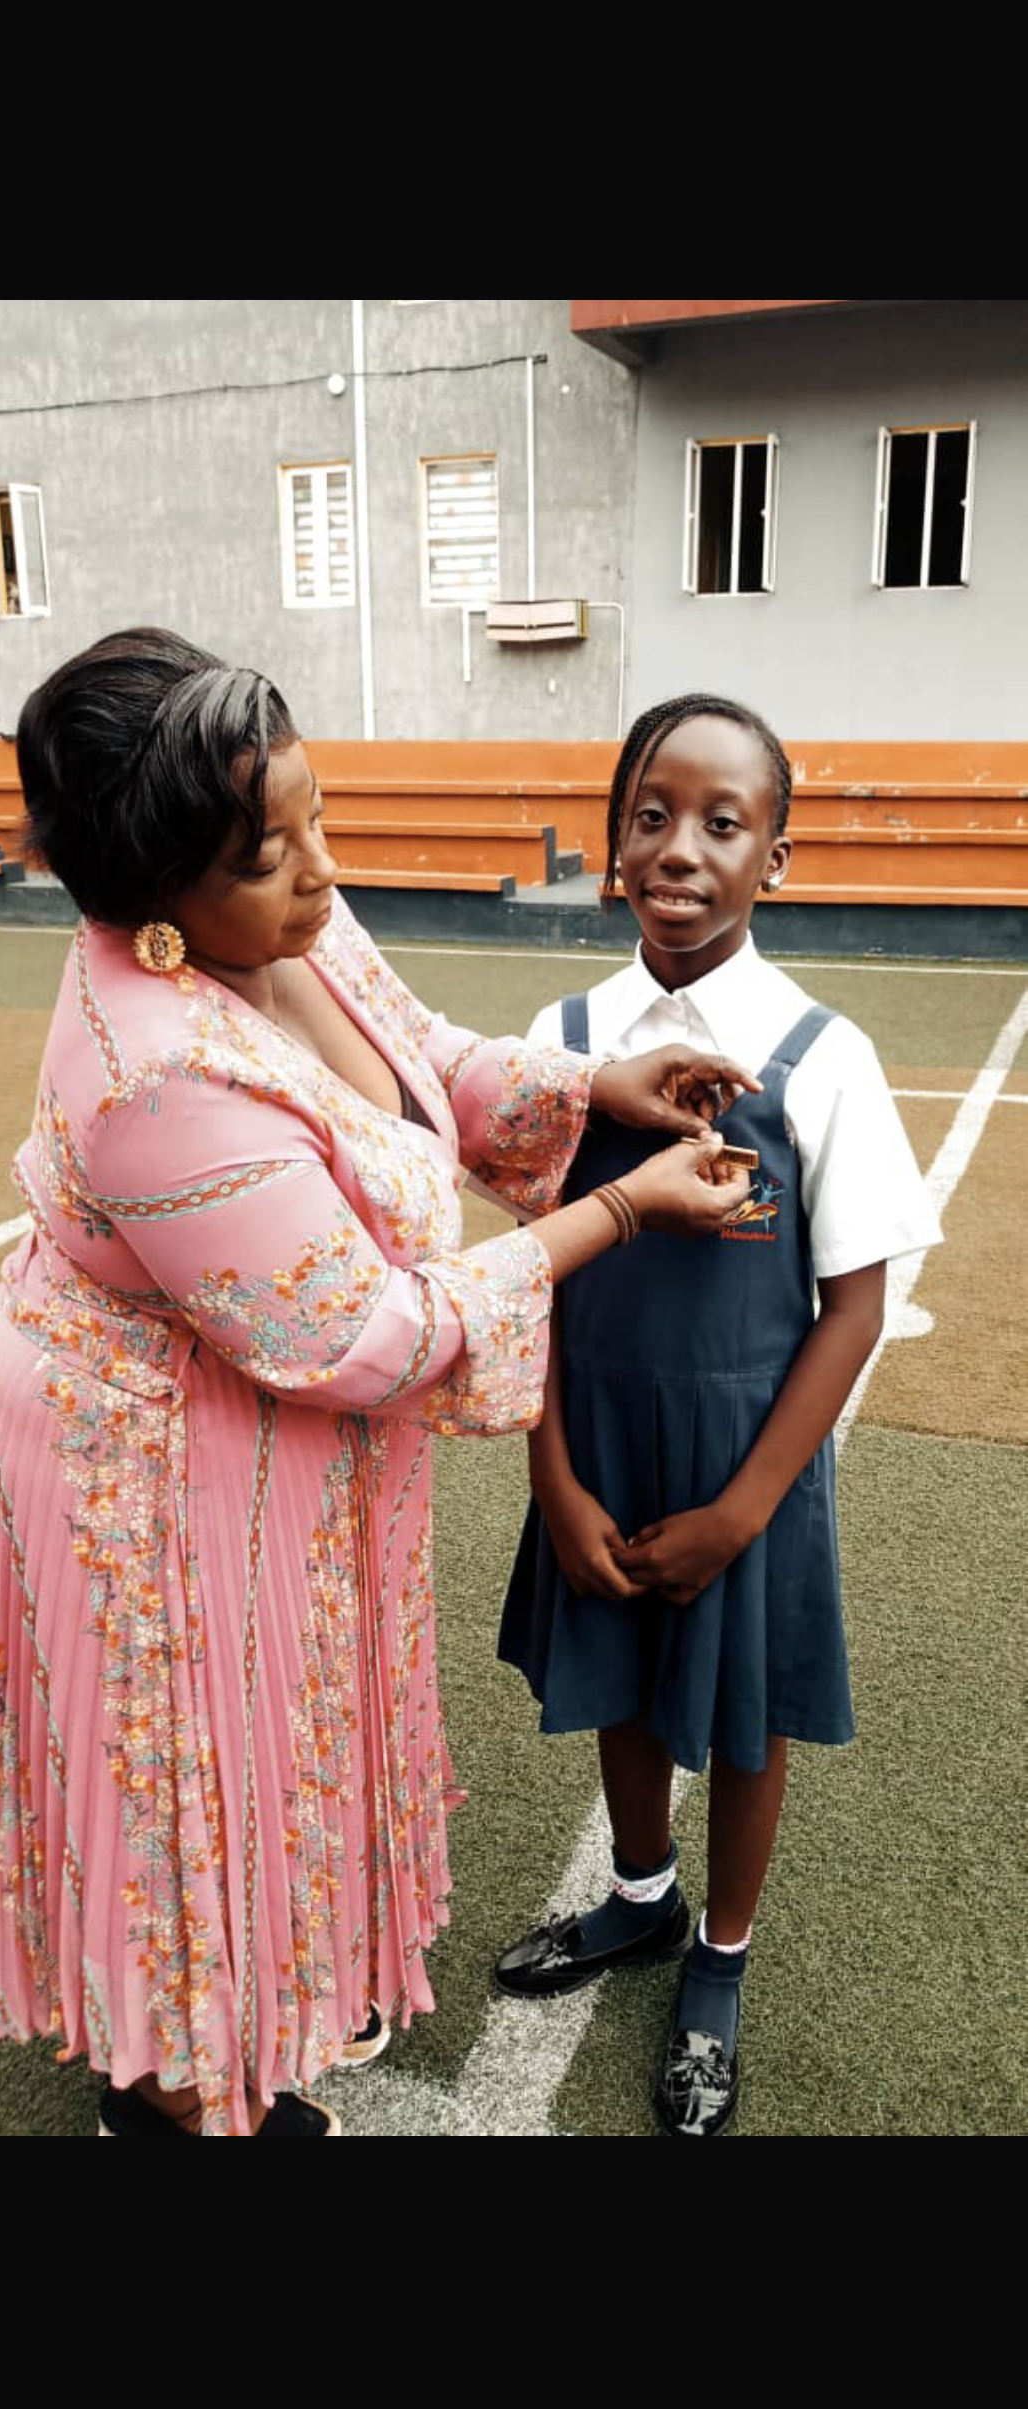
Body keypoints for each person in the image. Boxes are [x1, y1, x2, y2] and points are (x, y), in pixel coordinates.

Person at [0, 633, 757, 2139]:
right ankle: (171, 2095)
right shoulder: (157, 1066)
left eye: (313, 816)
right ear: (155, 895)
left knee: (276, 1744)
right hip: (132, 1449)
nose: (321, 870)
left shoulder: (272, 919)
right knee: (182, 1775)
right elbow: (362, 1337)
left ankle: (266, 1987)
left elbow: (417, 1056)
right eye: (272, 852)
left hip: (251, 1422)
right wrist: (620, 1211)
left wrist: (591, 1090)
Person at [495, 693, 942, 2137]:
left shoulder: (821, 1053)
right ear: (614, 842)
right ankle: (639, 1897)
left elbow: (854, 1307)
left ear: (775, 860)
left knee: (747, 1722)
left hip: (750, 1462)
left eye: (723, 823)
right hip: (598, 1439)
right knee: (619, 1678)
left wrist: (746, 1510)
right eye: (651, 815)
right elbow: (526, 1272)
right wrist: (554, 1476)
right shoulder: (562, 1039)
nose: (680, 848)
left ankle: (722, 1962)